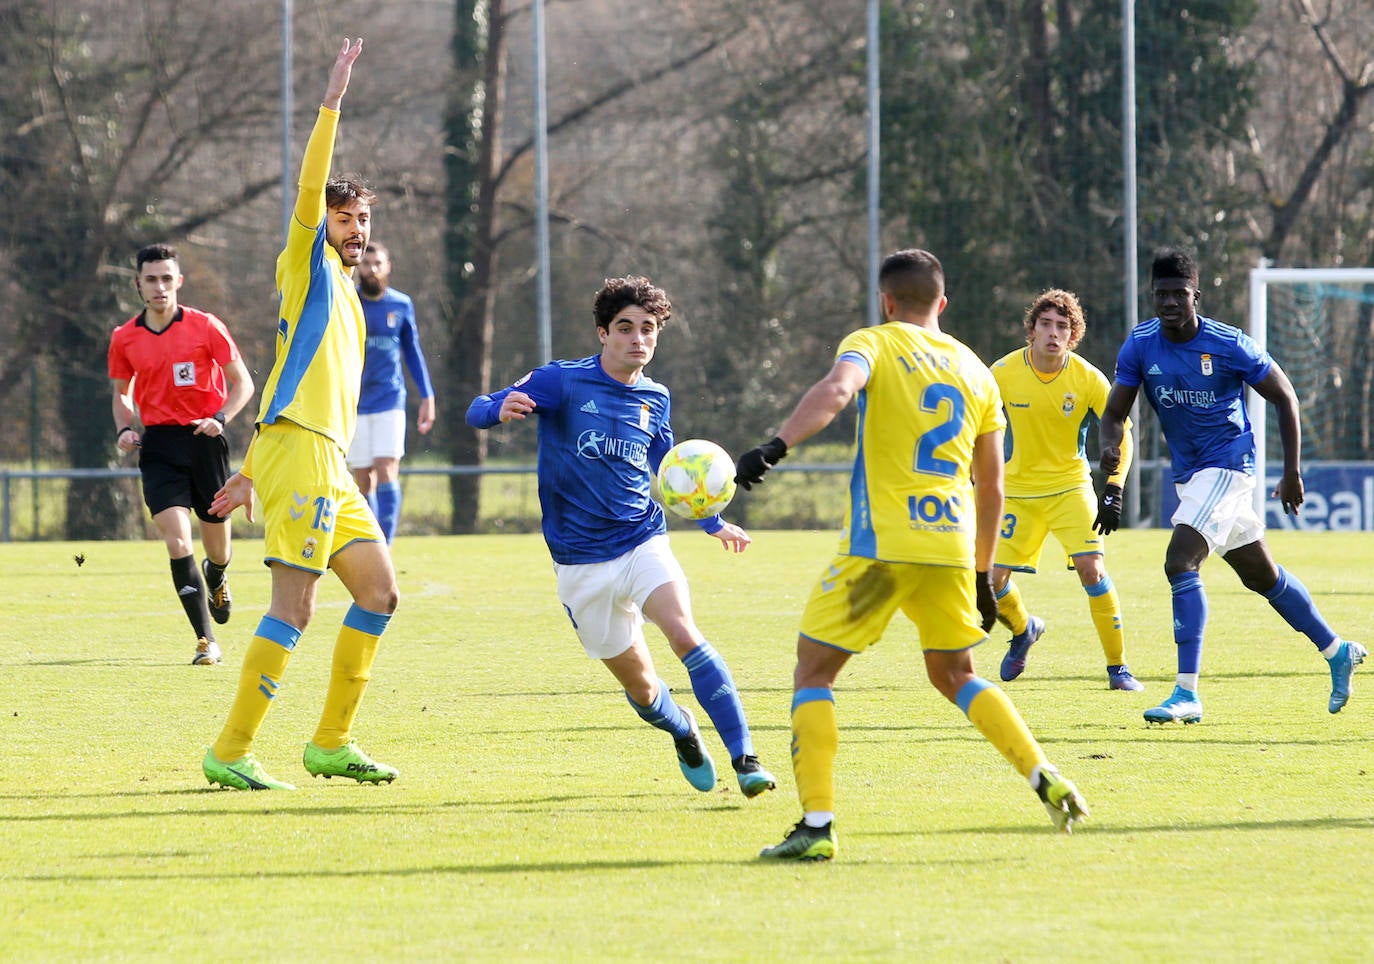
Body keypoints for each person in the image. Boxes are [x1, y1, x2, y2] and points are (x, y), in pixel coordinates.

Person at [736, 248, 1088, 862]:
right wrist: (983, 575)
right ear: (942, 304)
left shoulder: (873, 341)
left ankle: (817, 826)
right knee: (956, 676)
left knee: (814, 672)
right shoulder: (978, 371)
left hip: (880, 552)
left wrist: (776, 444)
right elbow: (994, 486)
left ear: (887, 300)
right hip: (950, 548)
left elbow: (837, 390)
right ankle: (1043, 775)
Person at [465, 275, 777, 799]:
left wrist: (710, 521)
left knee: (684, 633)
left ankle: (746, 759)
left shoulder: (656, 398)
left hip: (641, 541)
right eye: (626, 327)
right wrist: (499, 409)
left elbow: (669, 470)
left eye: (648, 329)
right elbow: (477, 408)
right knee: (643, 688)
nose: (638, 338)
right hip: (580, 564)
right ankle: (682, 728)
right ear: (602, 333)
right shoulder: (560, 381)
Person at [202, 38, 402, 791]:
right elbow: (311, 183)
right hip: (306, 455)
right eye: (343, 216)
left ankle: (331, 744)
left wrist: (253, 468)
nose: (354, 228)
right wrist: (332, 102)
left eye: (361, 218)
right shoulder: (308, 261)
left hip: (319, 460)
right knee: (296, 606)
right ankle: (231, 749)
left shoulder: (351, 292)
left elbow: (287, 379)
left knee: (380, 592)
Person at [1099, 247, 1365, 724]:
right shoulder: (1140, 345)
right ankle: (1336, 649)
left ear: (1195, 294)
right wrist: (1109, 451)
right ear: (1152, 295)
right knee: (1261, 576)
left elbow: (1285, 396)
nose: (1169, 302)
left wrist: (1291, 470)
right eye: (1161, 294)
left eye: (1179, 293)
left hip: (1229, 466)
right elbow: (1114, 414)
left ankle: (1186, 694)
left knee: (1180, 560)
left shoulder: (1229, 344)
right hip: (1191, 476)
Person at [988, 289, 1144, 691]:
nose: (1053, 333)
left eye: (1063, 326)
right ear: (1032, 330)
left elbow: (1122, 433)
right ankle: (1024, 630)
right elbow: (973, 423)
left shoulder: (1087, 378)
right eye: (1046, 324)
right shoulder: (1001, 373)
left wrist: (1114, 487)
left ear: (1073, 335)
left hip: (1069, 488)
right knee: (991, 580)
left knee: (1092, 569)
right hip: (1016, 492)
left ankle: (1118, 668)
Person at [108, 243, 255, 666]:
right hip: (158, 448)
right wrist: (124, 427)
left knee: (218, 548)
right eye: (151, 279)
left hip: (205, 441)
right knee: (177, 541)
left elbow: (242, 382)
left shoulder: (206, 326)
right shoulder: (124, 337)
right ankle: (205, 640)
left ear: (179, 282)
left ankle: (218, 575)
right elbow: (121, 394)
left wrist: (221, 418)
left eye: (166, 278)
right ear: (138, 284)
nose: (159, 287)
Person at [348, 241, 436, 542]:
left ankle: (385, 544)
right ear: (358, 266)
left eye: (377, 263)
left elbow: (413, 352)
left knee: (387, 467)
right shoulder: (347, 300)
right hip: (353, 403)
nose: (371, 269)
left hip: (390, 400)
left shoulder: (401, 304)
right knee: (363, 477)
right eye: (366, 263)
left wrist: (427, 396)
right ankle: (370, 541)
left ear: (388, 267)